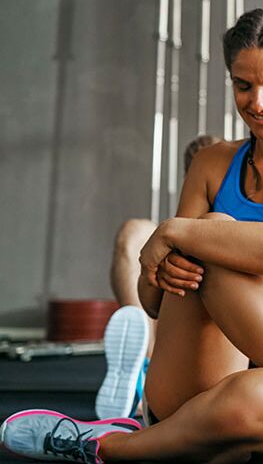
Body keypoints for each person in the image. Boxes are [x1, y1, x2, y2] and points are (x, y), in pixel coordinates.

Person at [2, 9, 263, 464]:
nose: (257, 102)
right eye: (243, 85)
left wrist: (176, 231)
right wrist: (158, 266)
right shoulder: (212, 164)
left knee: (256, 395)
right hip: (202, 368)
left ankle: (104, 445)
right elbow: (153, 302)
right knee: (216, 233)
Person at [97, 134, 222, 421]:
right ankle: (143, 362)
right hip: (163, 316)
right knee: (134, 231)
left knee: (211, 233)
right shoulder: (173, 225)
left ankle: (154, 378)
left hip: (213, 332)